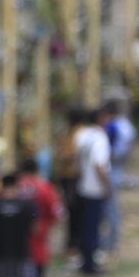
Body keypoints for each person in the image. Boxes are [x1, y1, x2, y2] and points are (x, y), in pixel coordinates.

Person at [16, 158, 62, 277]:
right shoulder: (44, 188)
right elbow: (57, 213)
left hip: (10, 252)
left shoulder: (12, 188)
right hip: (37, 250)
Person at [74, 105, 112, 274]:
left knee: (84, 227)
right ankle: (90, 265)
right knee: (93, 227)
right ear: (100, 118)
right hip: (95, 188)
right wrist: (106, 186)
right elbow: (99, 165)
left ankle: (85, 261)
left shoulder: (81, 135)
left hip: (82, 186)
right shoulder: (100, 138)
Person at [103, 99, 135, 258]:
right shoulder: (126, 125)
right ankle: (111, 241)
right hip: (120, 166)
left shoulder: (113, 127)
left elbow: (111, 150)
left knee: (110, 209)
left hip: (112, 167)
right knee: (112, 208)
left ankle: (111, 243)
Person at [54, 107, 87, 259]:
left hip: (73, 177)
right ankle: (73, 243)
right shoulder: (72, 133)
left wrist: (62, 155)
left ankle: (74, 244)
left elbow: (69, 154)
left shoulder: (77, 134)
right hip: (70, 176)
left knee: (74, 211)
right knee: (73, 211)